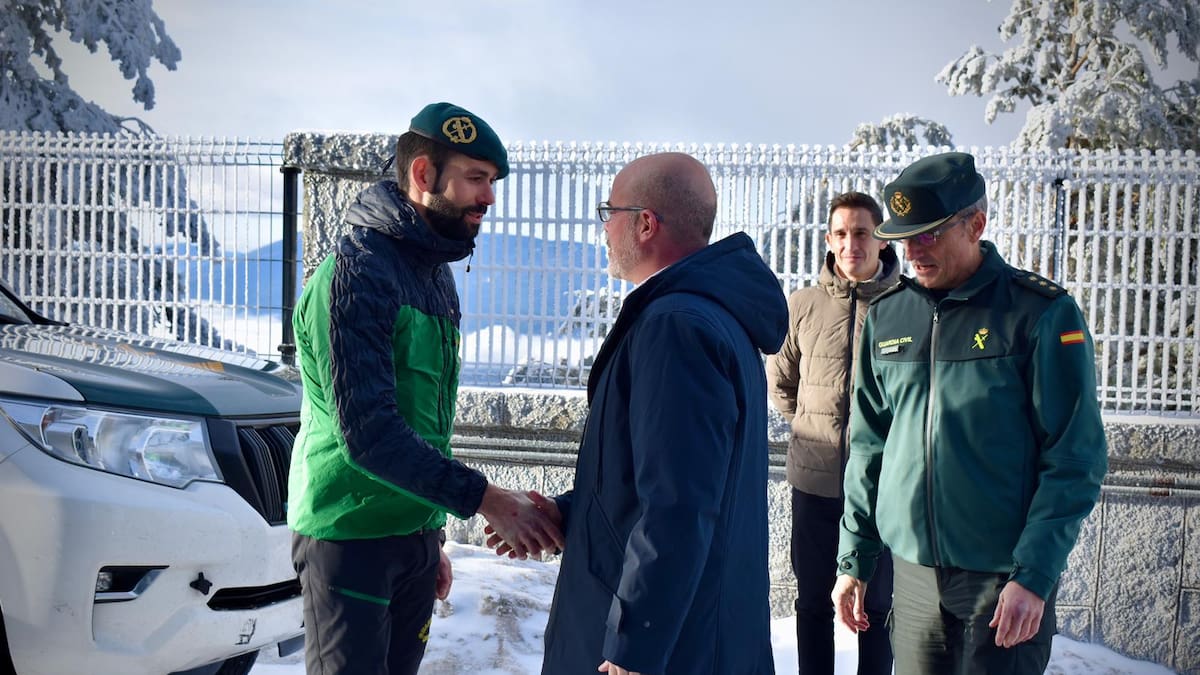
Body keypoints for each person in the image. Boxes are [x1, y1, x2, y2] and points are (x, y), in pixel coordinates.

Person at [287, 101, 564, 675]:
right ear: (422, 176)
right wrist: (487, 500)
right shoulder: (355, 275)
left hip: (410, 537)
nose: (489, 198)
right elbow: (369, 434)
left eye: (492, 182)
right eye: (476, 179)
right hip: (350, 538)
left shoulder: (433, 275)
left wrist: (429, 535)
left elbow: (426, 423)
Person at [832, 152, 1108, 675]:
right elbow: (869, 445)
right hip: (912, 581)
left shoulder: (1038, 313)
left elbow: (1075, 457)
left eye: (928, 235)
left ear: (975, 224)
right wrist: (855, 558)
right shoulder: (888, 316)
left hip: (1002, 582)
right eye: (905, 237)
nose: (912, 251)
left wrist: (1035, 574)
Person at [513, 151, 788, 674]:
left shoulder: (676, 326)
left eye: (608, 212)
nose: (603, 231)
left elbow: (677, 506)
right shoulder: (704, 316)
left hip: (670, 649)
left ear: (645, 223)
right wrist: (571, 515)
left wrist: (636, 644)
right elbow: (665, 481)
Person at [766, 191, 899, 675]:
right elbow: (781, 384)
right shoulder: (803, 305)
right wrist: (815, 428)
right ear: (828, 240)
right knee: (814, 602)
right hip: (816, 484)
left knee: (879, 608)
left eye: (862, 233)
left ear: (881, 240)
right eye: (841, 234)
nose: (851, 244)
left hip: (884, 491)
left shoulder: (905, 306)